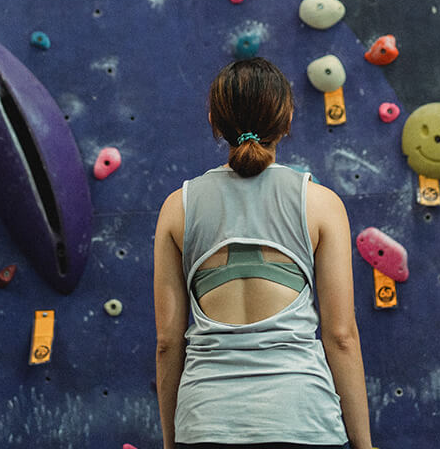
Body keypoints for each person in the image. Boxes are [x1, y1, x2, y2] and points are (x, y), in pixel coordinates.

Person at [154, 58, 373, 449]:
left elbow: (168, 343)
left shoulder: (177, 207)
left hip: (204, 423)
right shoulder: (320, 205)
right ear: (286, 120)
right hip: (303, 420)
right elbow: (340, 336)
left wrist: (171, 442)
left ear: (214, 123)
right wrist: (364, 444)